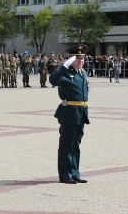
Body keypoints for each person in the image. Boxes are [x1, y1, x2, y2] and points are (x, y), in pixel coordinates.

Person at [49, 44, 90, 184]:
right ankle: (65, 174)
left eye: (82, 58)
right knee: (67, 144)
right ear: (71, 59)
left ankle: (74, 173)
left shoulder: (83, 73)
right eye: (78, 58)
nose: (81, 61)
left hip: (81, 113)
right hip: (69, 113)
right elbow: (53, 80)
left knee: (76, 144)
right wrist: (64, 66)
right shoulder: (65, 72)